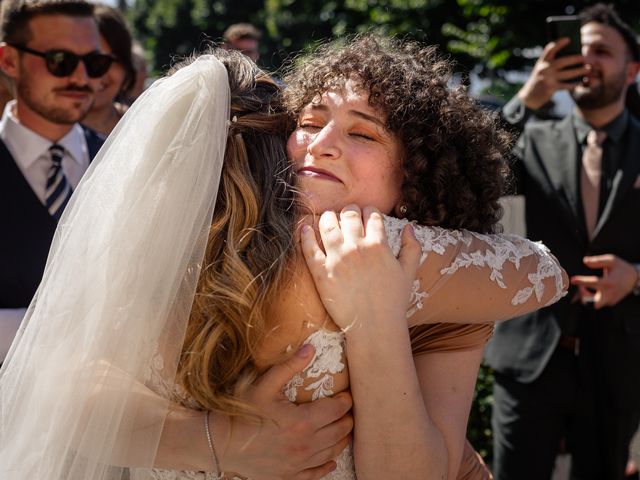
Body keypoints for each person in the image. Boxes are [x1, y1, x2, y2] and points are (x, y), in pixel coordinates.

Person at [0, 42, 565, 480]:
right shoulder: (221, 248)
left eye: (363, 133)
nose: (320, 143)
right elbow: (544, 273)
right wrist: (218, 439)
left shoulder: (445, 283)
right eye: (310, 121)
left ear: (419, 175)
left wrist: (375, 315)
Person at [485, 4, 640, 479]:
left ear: (632, 70)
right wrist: (529, 97)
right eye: (579, 48)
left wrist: (636, 278)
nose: (587, 59)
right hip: (531, 357)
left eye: (602, 51)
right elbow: (479, 171)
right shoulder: (535, 137)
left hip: (616, 357)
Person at [0, 0, 106, 364]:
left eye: (94, 64)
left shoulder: (124, 159)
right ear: (9, 61)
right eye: (60, 61)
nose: (81, 78)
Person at [81, 3, 136, 137]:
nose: (101, 73)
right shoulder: (52, 135)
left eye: (112, 61)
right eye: (92, 59)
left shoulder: (143, 126)